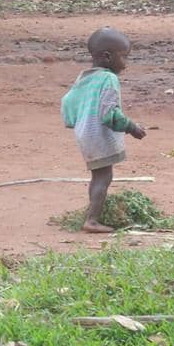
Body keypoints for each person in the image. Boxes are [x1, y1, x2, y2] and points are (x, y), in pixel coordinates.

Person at [61, 26, 147, 233]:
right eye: (124, 57)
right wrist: (131, 127)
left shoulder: (84, 77)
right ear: (108, 57)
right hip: (98, 136)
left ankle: (92, 213)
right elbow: (109, 115)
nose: (125, 64)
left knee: (98, 175)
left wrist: (75, 121)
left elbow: (67, 101)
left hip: (84, 134)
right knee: (104, 177)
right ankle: (92, 220)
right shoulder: (109, 79)